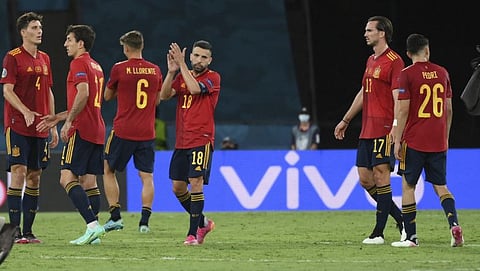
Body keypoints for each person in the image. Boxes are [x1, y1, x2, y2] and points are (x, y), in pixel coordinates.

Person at [333, 16, 406, 244]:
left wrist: (396, 127)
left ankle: (378, 232)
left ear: (382, 33)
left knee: (381, 177)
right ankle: (401, 219)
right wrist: (345, 119)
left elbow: (399, 98)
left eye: (369, 30)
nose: (365, 34)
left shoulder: (394, 61)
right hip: (367, 128)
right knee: (365, 179)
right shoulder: (371, 60)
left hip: (384, 128)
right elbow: (363, 93)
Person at [391, 34, 463, 247]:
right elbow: (449, 109)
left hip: (414, 140)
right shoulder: (442, 72)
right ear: (427, 50)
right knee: (441, 186)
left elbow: (403, 110)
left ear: (408, 53)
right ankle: (454, 226)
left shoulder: (406, 74)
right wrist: (446, 137)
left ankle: (411, 237)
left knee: (408, 186)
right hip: (438, 140)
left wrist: (396, 139)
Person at [36, 24, 106, 245]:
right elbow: (86, 102)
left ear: (80, 43)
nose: (65, 44)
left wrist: (68, 121)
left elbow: (83, 93)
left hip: (82, 128)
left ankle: (93, 226)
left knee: (66, 177)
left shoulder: (78, 63)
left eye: (69, 40)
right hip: (98, 127)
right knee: (89, 181)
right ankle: (94, 236)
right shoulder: (96, 66)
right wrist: (58, 117)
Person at [0, 11, 59, 244]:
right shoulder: (12, 57)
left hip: (41, 126)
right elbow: (7, 90)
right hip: (17, 125)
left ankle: (28, 232)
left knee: (35, 177)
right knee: (18, 173)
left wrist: (53, 122)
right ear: (23, 32)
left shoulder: (45, 58)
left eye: (40, 27)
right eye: (34, 27)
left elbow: (49, 91)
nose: (39, 31)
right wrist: (24, 110)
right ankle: (13, 232)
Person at [159, 40, 220, 245]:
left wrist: (182, 65)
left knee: (195, 183)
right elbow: (164, 95)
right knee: (177, 187)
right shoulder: (181, 76)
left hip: (201, 139)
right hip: (182, 140)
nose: (199, 60)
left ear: (210, 60)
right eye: (196, 55)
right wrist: (170, 72)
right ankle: (203, 222)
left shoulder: (213, 77)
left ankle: (192, 234)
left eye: (204, 57)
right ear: (191, 55)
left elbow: (194, 90)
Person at [102, 30, 163, 233]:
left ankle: (115, 217)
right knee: (147, 177)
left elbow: (107, 96)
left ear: (126, 48)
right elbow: (157, 98)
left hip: (123, 130)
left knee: (108, 170)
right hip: (147, 131)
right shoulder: (155, 70)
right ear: (141, 47)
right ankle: (144, 222)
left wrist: (123, 89)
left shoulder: (119, 68)